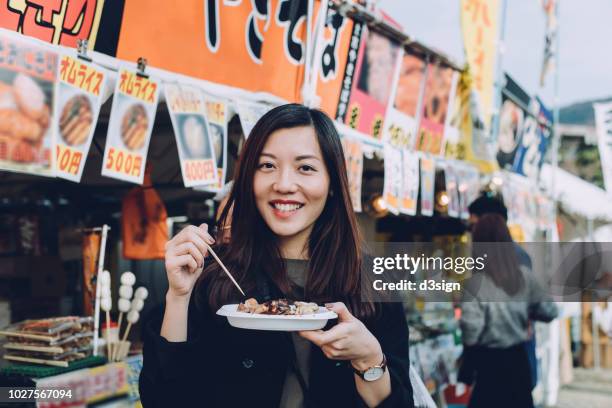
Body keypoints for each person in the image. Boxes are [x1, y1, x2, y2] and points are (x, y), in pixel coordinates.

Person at [139, 104, 414, 407]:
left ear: (333, 183)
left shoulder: (371, 281)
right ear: (248, 178)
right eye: (267, 166)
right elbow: (163, 400)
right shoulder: (213, 272)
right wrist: (178, 296)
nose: (283, 184)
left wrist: (369, 359)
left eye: (305, 168)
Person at [460, 214, 558, 408]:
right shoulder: (525, 277)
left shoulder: (476, 284)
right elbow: (550, 310)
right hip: (518, 362)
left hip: (489, 367)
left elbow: (471, 331)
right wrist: (528, 312)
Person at [467, 193, 538, 389]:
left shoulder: (513, 257)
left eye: (473, 225)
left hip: (508, 353)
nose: (471, 231)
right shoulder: (488, 254)